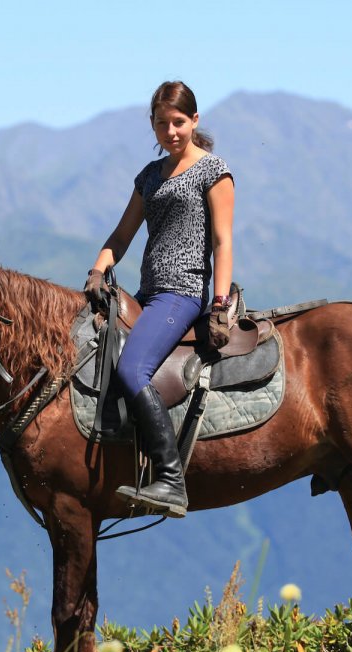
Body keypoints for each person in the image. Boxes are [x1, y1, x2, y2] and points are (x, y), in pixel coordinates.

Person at [84, 80, 235, 518]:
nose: (170, 131)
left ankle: (171, 478)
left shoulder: (213, 171)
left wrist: (220, 304)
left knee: (132, 368)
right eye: (161, 124)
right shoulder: (149, 176)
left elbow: (223, 243)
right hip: (146, 294)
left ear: (194, 121)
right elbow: (122, 234)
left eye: (178, 122)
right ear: (151, 125)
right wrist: (98, 269)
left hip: (182, 293)